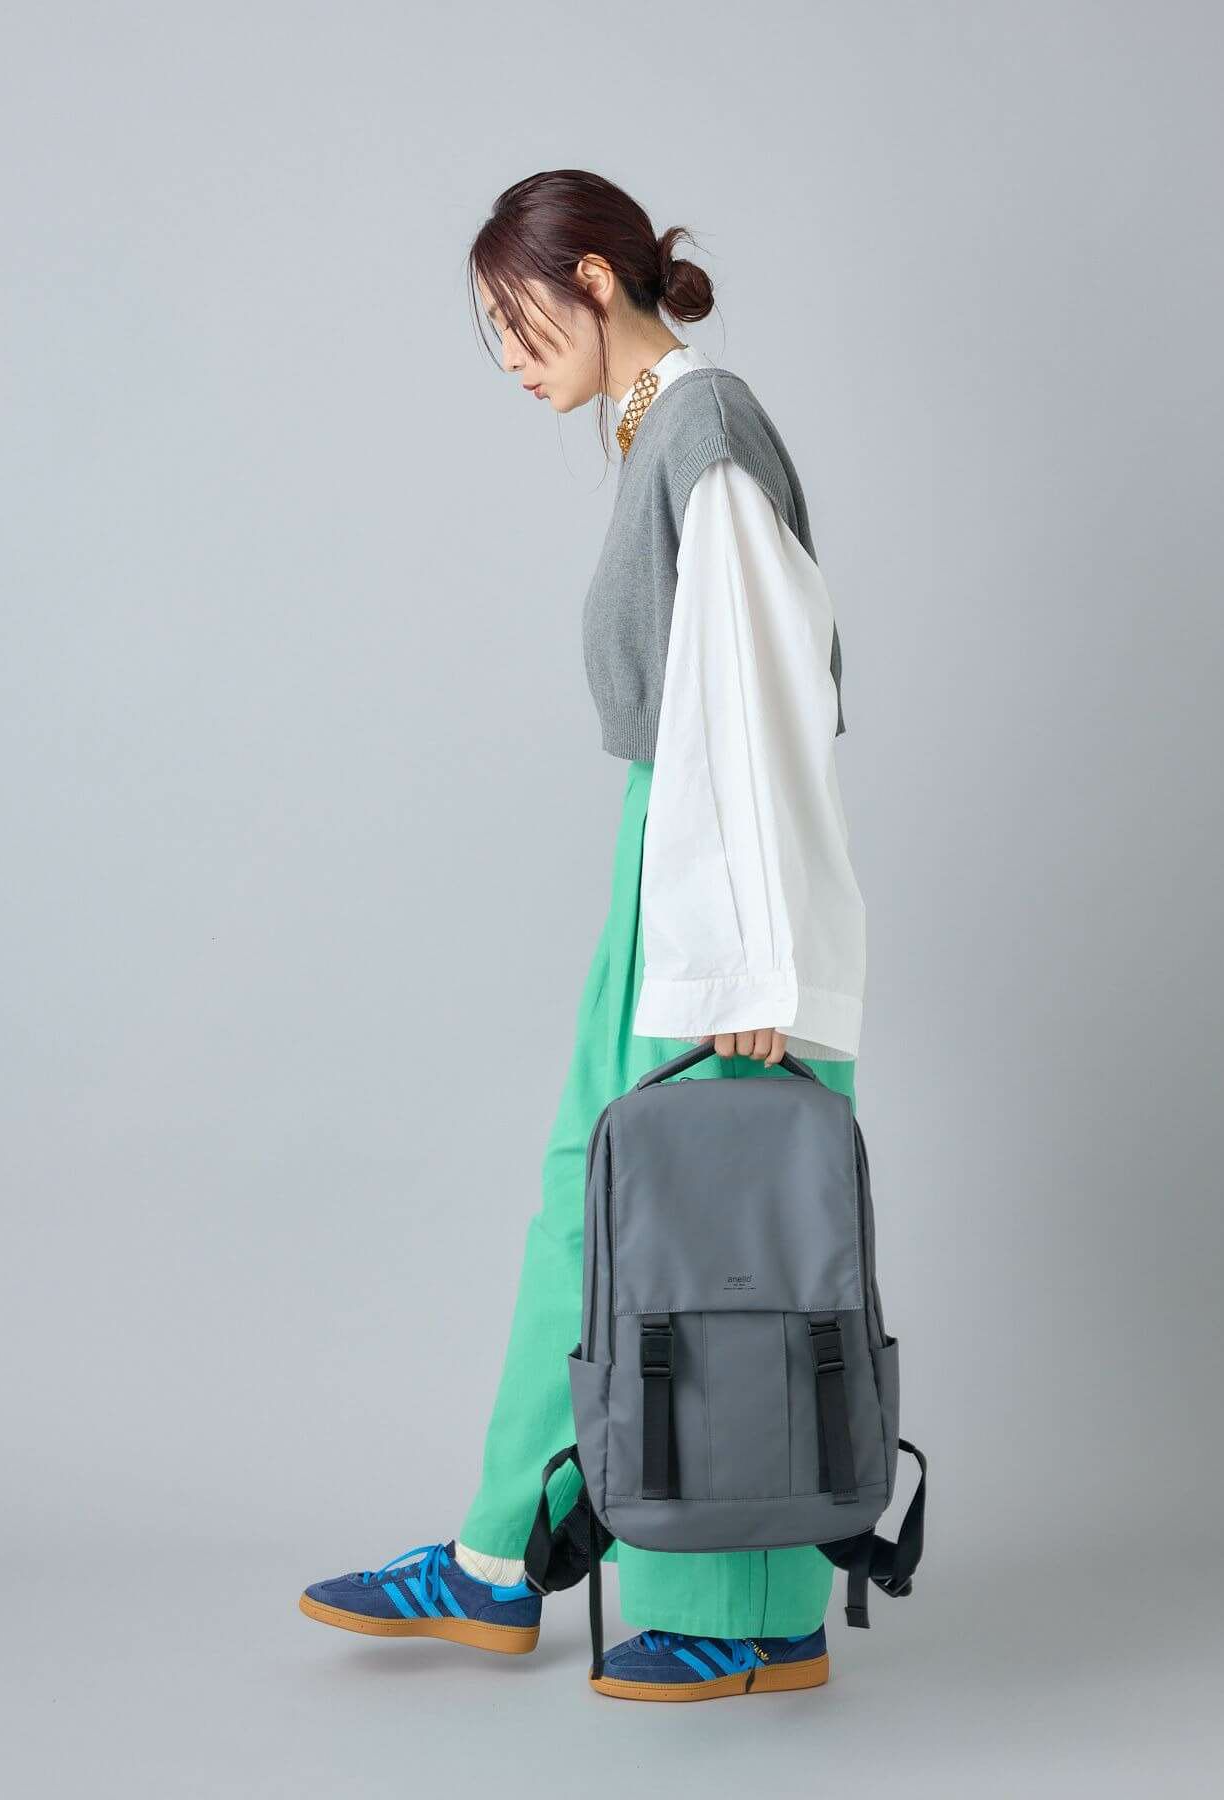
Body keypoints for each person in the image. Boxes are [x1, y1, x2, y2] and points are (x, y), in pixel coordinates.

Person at [298, 169, 866, 1702]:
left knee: (721, 1251)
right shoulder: (655, 436)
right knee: (593, 1210)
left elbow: (758, 707)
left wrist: (754, 964)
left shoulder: (706, 429)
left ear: (598, 281)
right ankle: (500, 1559)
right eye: (489, 329)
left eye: (518, 317)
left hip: (731, 884)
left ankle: (752, 1611)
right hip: (668, 857)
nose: (507, 354)